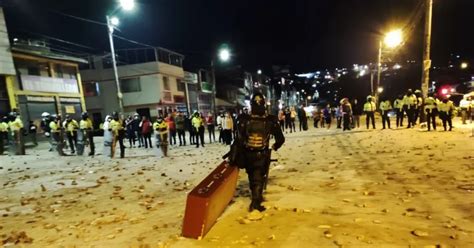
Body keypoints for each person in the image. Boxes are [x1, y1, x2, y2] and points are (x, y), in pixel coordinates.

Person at [228, 92, 285, 212]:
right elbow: (280, 139)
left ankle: (256, 197)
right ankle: (256, 201)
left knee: (253, 175)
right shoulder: (270, 120)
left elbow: (238, 138)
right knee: (257, 176)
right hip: (261, 153)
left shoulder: (243, 119)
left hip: (247, 153)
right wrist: (274, 146)